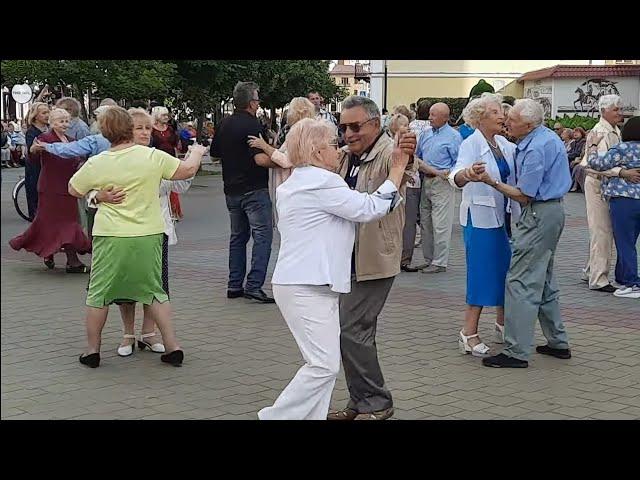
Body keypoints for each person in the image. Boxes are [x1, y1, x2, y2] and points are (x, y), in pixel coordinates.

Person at [257, 118, 412, 420]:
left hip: (309, 284)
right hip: (306, 285)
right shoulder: (320, 181)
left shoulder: (302, 180)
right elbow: (368, 209)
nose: (339, 149)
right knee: (323, 365)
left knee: (323, 364)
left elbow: (364, 207)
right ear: (315, 151)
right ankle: (276, 417)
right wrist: (396, 172)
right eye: (331, 143)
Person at [69, 106, 206, 368]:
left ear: (105, 132)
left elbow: (73, 189)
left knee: (98, 293)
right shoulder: (152, 156)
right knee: (155, 291)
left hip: (110, 235)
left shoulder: (97, 162)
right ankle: (172, 346)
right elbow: (187, 171)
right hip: (148, 233)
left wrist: (99, 194)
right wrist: (197, 152)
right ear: (129, 129)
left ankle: (92, 350)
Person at [327, 95, 417, 421]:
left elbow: (404, 171)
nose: (348, 133)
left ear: (375, 124)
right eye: (343, 127)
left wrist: (408, 154)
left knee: (352, 330)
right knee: (353, 331)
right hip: (347, 256)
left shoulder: (386, 152)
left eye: (355, 126)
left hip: (375, 257)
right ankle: (359, 402)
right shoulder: (347, 156)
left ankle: (377, 402)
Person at [466, 99, 572, 368]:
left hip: (538, 214)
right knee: (544, 277)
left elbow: (525, 195)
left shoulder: (535, 148)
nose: (505, 120)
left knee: (520, 280)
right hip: (551, 212)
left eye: (511, 118)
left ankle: (516, 350)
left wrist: (492, 182)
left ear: (527, 124)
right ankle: (557, 341)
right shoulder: (545, 138)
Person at [449, 93, 519, 356]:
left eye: (501, 110)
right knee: (481, 273)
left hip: (504, 217)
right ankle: (468, 333)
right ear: (479, 119)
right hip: (480, 219)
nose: (501, 115)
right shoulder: (471, 144)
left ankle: (503, 324)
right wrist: (468, 175)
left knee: (504, 270)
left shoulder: (503, 143)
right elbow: (454, 175)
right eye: (494, 112)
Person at [211, 81, 276, 303]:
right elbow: (260, 158)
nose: (258, 104)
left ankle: (234, 285)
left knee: (237, 238)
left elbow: (214, 153)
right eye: (257, 100)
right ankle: (254, 285)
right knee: (262, 237)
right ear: (250, 103)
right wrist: (281, 160)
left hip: (231, 189)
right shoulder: (252, 125)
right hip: (254, 188)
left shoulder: (224, 123)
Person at [9, 109, 91, 271]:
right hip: (51, 187)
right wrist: (32, 150)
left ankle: (50, 251)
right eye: (61, 121)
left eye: (67, 121)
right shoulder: (44, 138)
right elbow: (33, 159)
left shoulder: (71, 140)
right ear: (52, 123)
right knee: (63, 223)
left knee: (55, 222)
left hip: (68, 187)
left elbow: (78, 160)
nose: (65, 125)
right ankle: (72, 261)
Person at [587, 116, 640, 299]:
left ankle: (632, 283)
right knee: (630, 242)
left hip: (624, 199)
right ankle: (623, 277)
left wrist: (593, 147)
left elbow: (596, 164)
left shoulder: (623, 149)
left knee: (624, 242)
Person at [247, 97, 315, 227]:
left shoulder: (300, 131)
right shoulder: (305, 129)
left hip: (290, 186)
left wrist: (264, 146)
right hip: (294, 187)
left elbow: (286, 160)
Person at [581, 95, 625, 292]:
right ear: (604, 111)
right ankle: (599, 279)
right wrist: (621, 173)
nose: (620, 113)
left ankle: (591, 270)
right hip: (598, 183)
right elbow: (593, 165)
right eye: (616, 109)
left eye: (620, 109)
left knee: (600, 229)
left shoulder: (613, 130)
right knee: (602, 230)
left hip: (607, 184)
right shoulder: (600, 132)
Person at [415, 102, 462, 273]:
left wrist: (449, 172)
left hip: (442, 182)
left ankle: (440, 262)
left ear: (445, 117)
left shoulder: (454, 137)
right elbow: (418, 156)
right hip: (426, 180)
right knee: (426, 222)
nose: (429, 118)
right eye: (430, 114)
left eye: (433, 115)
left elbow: (459, 162)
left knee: (441, 223)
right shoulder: (426, 134)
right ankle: (429, 259)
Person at [151, 106, 183, 221]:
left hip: (170, 158)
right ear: (156, 116)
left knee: (171, 185)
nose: (166, 117)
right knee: (160, 186)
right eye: (163, 115)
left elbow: (175, 143)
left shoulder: (169, 128)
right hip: (156, 160)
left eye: (166, 115)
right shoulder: (151, 130)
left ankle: (174, 211)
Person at [24, 102, 50, 220]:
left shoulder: (49, 129)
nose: (47, 115)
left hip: (46, 166)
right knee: (34, 190)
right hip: (35, 167)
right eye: (44, 113)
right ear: (36, 116)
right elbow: (31, 150)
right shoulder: (32, 131)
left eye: (48, 112)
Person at [568, 127, 587, 192]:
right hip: (576, 158)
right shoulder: (573, 143)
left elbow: (578, 153)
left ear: (582, 133)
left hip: (580, 159)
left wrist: (569, 156)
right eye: (574, 132)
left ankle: (573, 185)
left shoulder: (583, 142)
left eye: (577, 132)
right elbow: (571, 151)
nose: (575, 133)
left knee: (576, 166)